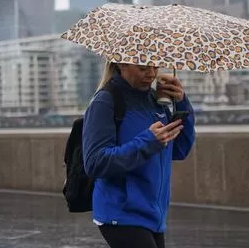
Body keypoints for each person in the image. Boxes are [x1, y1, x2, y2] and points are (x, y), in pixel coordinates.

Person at [82, 61, 196, 248]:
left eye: (155, 67)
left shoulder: (155, 101)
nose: (151, 74)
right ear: (121, 65)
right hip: (121, 213)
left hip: (153, 215)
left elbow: (179, 150)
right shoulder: (105, 101)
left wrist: (181, 102)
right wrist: (148, 141)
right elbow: (95, 162)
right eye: (143, 68)